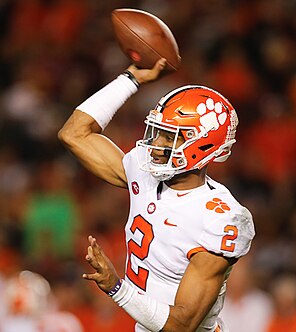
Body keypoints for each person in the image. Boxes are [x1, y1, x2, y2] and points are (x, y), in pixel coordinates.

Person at [58, 58, 255, 332]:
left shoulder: (220, 218)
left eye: (169, 137)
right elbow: (74, 133)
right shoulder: (145, 170)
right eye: (158, 132)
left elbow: (182, 325)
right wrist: (130, 79)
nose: (155, 144)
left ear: (202, 144)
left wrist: (116, 287)